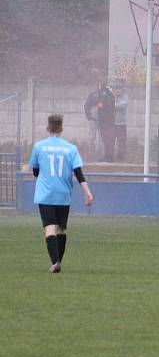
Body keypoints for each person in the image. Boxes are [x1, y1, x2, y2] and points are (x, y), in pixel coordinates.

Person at [30, 114, 94, 273]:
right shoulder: (70, 148)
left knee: (49, 229)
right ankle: (58, 261)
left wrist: (45, 178)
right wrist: (87, 192)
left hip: (45, 194)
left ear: (48, 127)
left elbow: (35, 170)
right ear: (62, 128)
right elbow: (78, 172)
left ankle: (55, 261)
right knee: (61, 230)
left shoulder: (39, 147)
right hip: (63, 194)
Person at [112, 82, 128, 162]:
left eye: (120, 89)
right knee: (111, 141)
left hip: (122, 124)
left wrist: (114, 106)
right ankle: (111, 158)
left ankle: (121, 159)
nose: (118, 91)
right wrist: (114, 105)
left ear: (122, 90)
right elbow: (109, 105)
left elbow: (123, 105)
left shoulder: (125, 97)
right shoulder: (112, 97)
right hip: (112, 124)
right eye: (117, 89)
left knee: (121, 142)